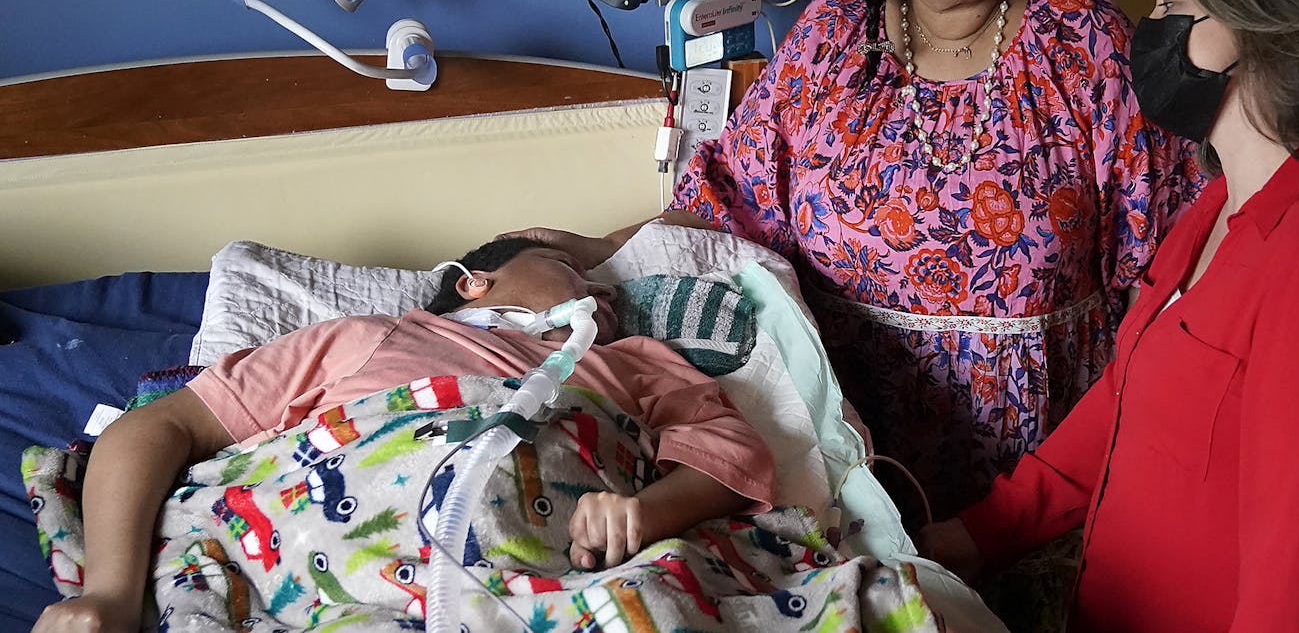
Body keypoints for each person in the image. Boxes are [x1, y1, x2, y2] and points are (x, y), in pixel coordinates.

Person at [515, 0, 1199, 524]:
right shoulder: (839, 27)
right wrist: (599, 249)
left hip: (1037, 477)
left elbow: (1167, 268)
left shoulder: (1084, 41)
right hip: (845, 455)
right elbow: (729, 197)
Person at [920, 0, 1299, 632]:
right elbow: (1128, 402)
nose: (1150, 33)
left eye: (1173, 5)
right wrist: (979, 533)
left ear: (1263, 27)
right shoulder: (1214, 208)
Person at [32, 237, 775, 633]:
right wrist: (112, 593)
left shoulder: (636, 366)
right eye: (568, 269)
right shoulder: (368, 338)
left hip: (547, 578)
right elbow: (158, 427)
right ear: (474, 283)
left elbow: (725, 460)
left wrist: (648, 513)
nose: (602, 293)